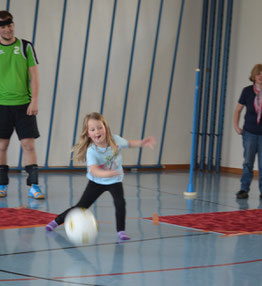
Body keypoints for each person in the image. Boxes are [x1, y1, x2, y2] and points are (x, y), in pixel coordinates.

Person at [46, 112, 157, 240]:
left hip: (114, 181)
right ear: (88, 134)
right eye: (92, 129)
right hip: (96, 182)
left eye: (100, 127)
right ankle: (56, 221)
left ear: (105, 128)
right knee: (81, 207)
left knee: (120, 203)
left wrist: (142, 142)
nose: (97, 131)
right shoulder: (92, 151)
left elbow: (129, 143)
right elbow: (93, 170)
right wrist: (107, 173)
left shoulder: (115, 140)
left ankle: (121, 231)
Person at [0, 10, 44, 199]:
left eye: (9, 24)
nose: (7, 29)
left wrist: (34, 100)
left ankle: (34, 186)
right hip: (2, 105)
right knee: (1, 146)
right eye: (2, 26)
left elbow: (34, 75)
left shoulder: (25, 46)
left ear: (13, 25)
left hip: (24, 104)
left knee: (28, 145)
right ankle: (1, 185)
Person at [234, 63, 262, 200]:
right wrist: (236, 126)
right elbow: (238, 110)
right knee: (248, 162)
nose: (261, 76)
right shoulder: (247, 91)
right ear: (253, 76)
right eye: (258, 73)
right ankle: (244, 189)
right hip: (249, 132)